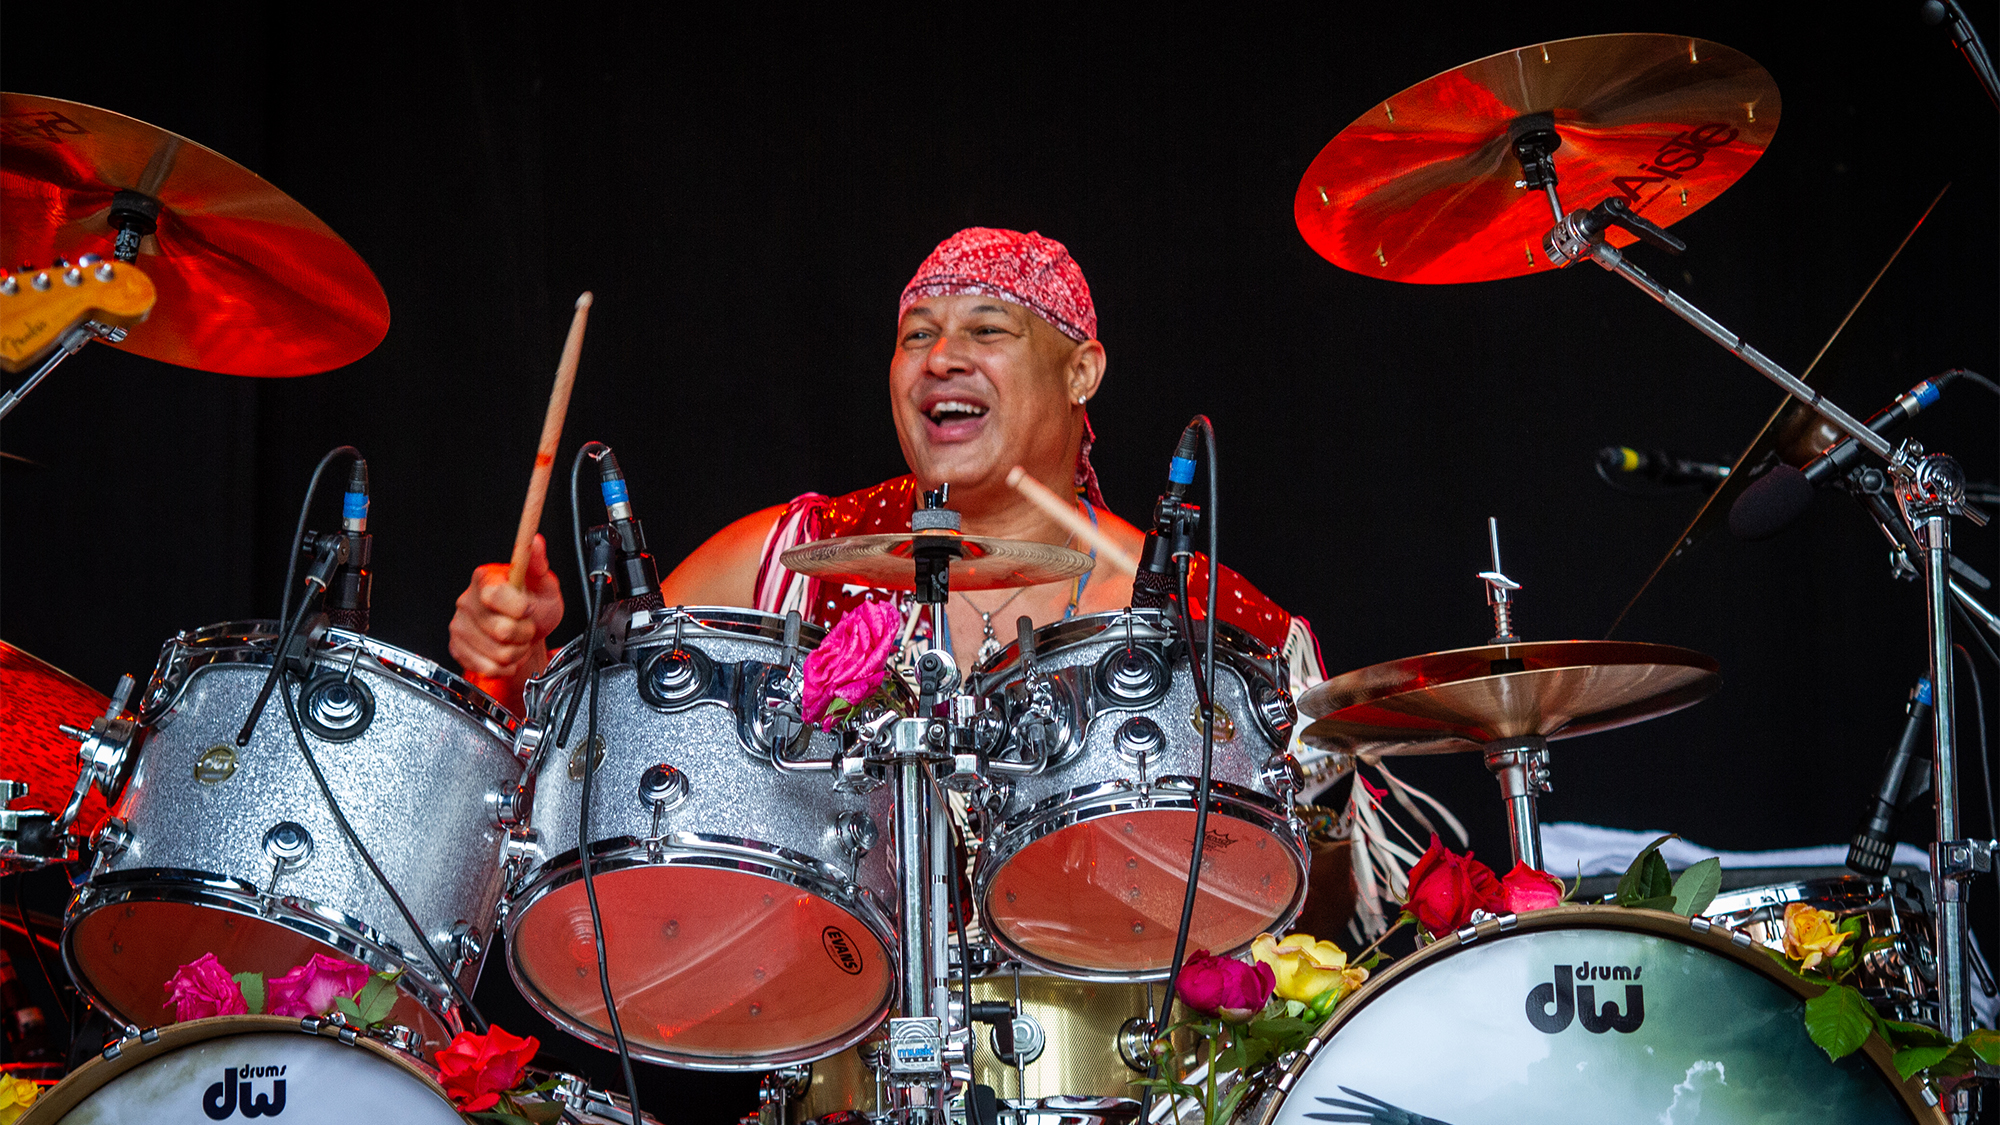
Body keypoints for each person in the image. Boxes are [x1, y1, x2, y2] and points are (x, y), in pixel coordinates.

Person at [450, 227, 1324, 713]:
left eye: (987, 330)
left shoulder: (1201, 613)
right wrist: (521, 662)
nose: (941, 358)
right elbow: (591, 755)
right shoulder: (790, 559)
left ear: (1081, 373)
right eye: (917, 336)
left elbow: (1311, 875)